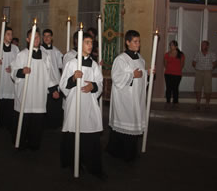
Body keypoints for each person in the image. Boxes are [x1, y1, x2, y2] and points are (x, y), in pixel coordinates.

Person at [59, 32, 105, 179]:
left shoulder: (94, 65)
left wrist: (94, 86)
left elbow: (100, 83)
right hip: (75, 104)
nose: (90, 45)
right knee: (74, 133)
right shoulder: (72, 63)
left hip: (89, 104)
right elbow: (63, 86)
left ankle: (92, 165)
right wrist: (73, 78)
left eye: (91, 43)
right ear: (79, 44)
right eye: (87, 42)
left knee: (90, 133)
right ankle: (74, 164)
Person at [107, 30, 150, 162]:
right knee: (125, 126)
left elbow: (142, 77)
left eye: (139, 41)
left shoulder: (140, 58)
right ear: (127, 42)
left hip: (136, 99)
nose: (138, 44)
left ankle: (130, 152)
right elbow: (116, 78)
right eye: (135, 41)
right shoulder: (121, 59)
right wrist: (132, 75)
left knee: (134, 124)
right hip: (124, 100)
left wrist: (148, 73)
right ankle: (119, 152)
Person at [10, 28, 55, 150]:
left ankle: (34, 143)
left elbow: (48, 75)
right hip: (26, 93)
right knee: (23, 121)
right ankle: (20, 142)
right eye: (33, 37)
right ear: (27, 39)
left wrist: (53, 89)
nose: (36, 39)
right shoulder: (22, 55)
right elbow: (13, 71)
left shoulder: (45, 56)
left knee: (37, 122)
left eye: (38, 37)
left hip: (39, 94)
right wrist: (21, 71)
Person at [41, 29, 63, 129]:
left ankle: (55, 125)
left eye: (48, 36)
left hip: (57, 82)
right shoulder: (40, 50)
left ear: (52, 37)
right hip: (45, 84)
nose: (46, 38)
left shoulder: (56, 51)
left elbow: (61, 65)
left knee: (55, 108)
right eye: (44, 36)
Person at [192, 40, 217, 110]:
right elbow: (193, 63)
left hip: (208, 72)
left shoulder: (212, 54)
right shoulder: (197, 53)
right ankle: (198, 103)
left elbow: (215, 64)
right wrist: (198, 67)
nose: (202, 46)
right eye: (202, 45)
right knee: (198, 87)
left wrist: (210, 68)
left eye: (204, 45)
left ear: (207, 46)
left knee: (208, 88)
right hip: (199, 71)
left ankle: (207, 103)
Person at [163, 40, 185, 109]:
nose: (171, 46)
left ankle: (175, 102)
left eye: (172, 45)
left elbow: (182, 64)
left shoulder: (181, 54)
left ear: (176, 46)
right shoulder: (167, 54)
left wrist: (176, 70)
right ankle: (168, 101)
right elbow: (165, 64)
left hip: (177, 74)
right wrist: (170, 69)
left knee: (175, 88)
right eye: (170, 45)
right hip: (168, 73)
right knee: (168, 88)